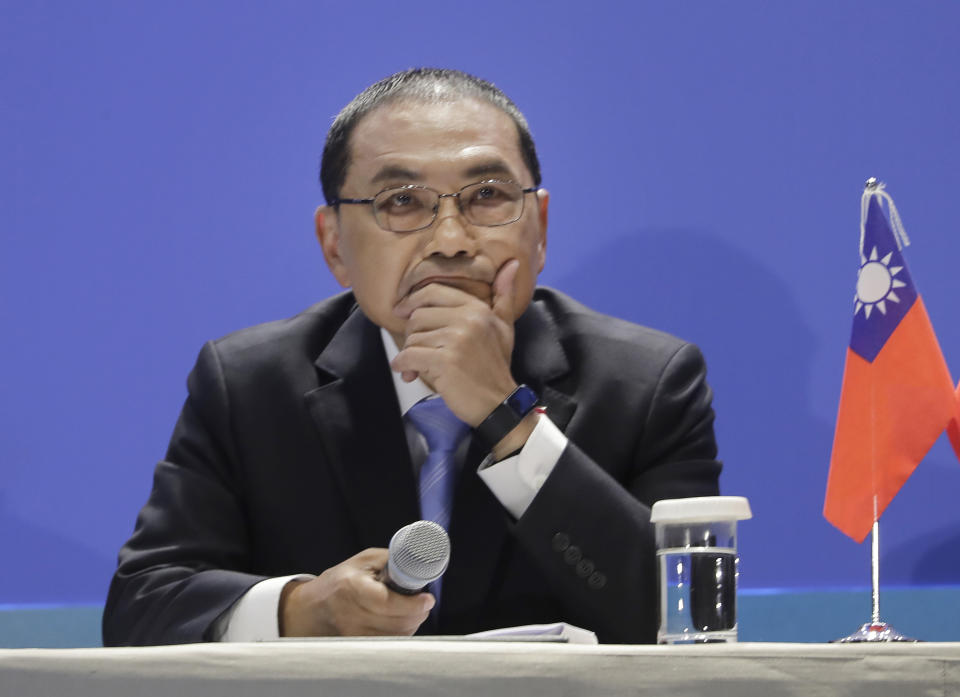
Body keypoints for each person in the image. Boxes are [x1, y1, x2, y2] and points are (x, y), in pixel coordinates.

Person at [103, 68, 721, 646]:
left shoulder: (649, 383)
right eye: (401, 202)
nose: (450, 241)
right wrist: (302, 609)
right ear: (334, 245)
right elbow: (141, 609)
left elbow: (686, 620)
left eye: (486, 195)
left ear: (540, 227)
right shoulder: (249, 384)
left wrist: (507, 418)